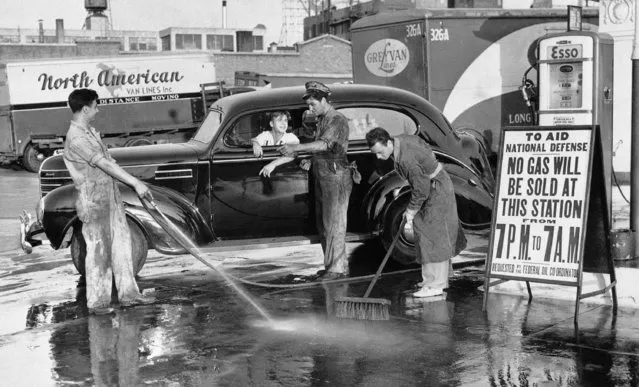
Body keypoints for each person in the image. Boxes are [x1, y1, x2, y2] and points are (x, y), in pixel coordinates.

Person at [63, 88, 153, 314]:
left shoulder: (89, 132)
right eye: (95, 106)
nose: (98, 110)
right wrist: (135, 183)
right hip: (93, 199)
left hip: (109, 195)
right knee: (99, 251)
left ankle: (129, 295)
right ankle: (98, 303)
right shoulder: (77, 138)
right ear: (85, 109)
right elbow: (105, 164)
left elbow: (110, 162)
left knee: (122, 245)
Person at [365, 127, 465, 297]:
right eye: (375, 153)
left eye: (380, 152)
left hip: (436, 190)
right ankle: (434, 279)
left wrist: (410, 210)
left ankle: (435, 285)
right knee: (425, 231)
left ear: (388, 142)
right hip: (434, 184)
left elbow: (422, 188)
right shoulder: (399, 141)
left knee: (433, 237)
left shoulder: (406, 158)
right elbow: (422, 153)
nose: (379, 157)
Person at [278, 81, 353, 280]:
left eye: (313, 104)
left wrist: (296, 149)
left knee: (334, 223)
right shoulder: (323, 119)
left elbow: (325, 144)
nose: (310, 109)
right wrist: (309, 160)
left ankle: (336, 270)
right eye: (309, 105)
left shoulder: (336, 119)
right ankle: (333, 266)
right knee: (325, 224)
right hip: (324, 175)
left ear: (324, 100)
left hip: (335, 176)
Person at [253, 111, 300, 177]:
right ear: (272, 124)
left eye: (285, 120)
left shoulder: (291, 137)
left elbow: (293, 154)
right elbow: (254, 139)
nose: (283, 123)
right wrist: (255, 144)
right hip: (264, 172)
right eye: (279, 120)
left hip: (285, 174)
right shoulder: (265, 135)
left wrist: (273, 164)